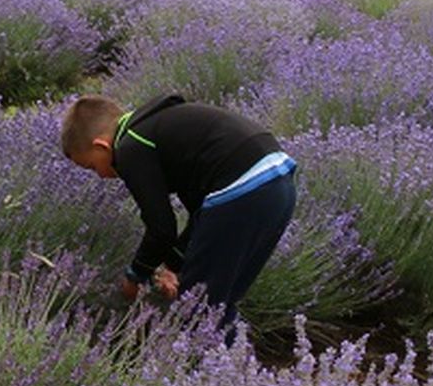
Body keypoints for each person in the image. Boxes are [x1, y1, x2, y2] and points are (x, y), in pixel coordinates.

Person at [61, 93, 298, 322]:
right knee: (219, 305)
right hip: (279, 186)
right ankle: (233, 361)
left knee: (197, 312)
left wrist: (135, 276)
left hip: (241, 190)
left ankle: (206, 361)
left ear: (102, 146)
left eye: (92, 167)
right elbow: (200, 214)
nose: (101, 176)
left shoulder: (130, 147)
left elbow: (161, 228)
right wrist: (173, 266)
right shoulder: (157, 127)